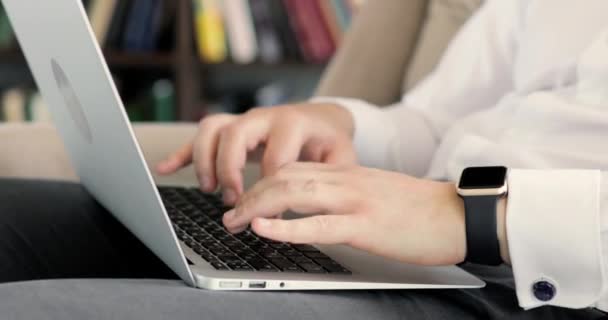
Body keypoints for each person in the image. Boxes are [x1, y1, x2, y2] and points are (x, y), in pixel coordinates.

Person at [0, 0, 606, 319]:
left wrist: (472, 219)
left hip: (549, 288)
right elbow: (437, 121)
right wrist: (335, 122)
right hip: (416, 240)